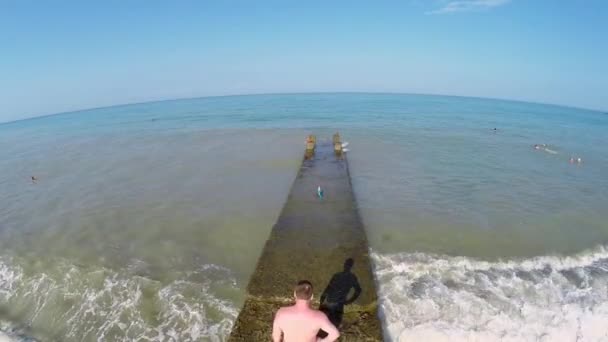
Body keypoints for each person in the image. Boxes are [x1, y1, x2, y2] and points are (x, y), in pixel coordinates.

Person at [272, 280, 340, 342]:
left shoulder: (281, 313)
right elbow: (335, 334)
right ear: (312, 297)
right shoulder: (320, 316)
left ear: (294, 294)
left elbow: (276, 336)